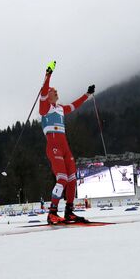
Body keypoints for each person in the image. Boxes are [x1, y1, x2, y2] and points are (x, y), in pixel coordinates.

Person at [39, 61, 95, 224]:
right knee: (62, 178)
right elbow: (43, 93)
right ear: (48, 95)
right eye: (53, 91)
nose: (56, 92)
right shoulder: (45, 108)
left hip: (65, 147)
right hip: (54, 146)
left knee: (71, 179)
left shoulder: (61, 108)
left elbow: (75, 105)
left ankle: (69, 211)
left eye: (56, 91)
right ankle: (52, 213)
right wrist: (48, 74)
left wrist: (87, 94)